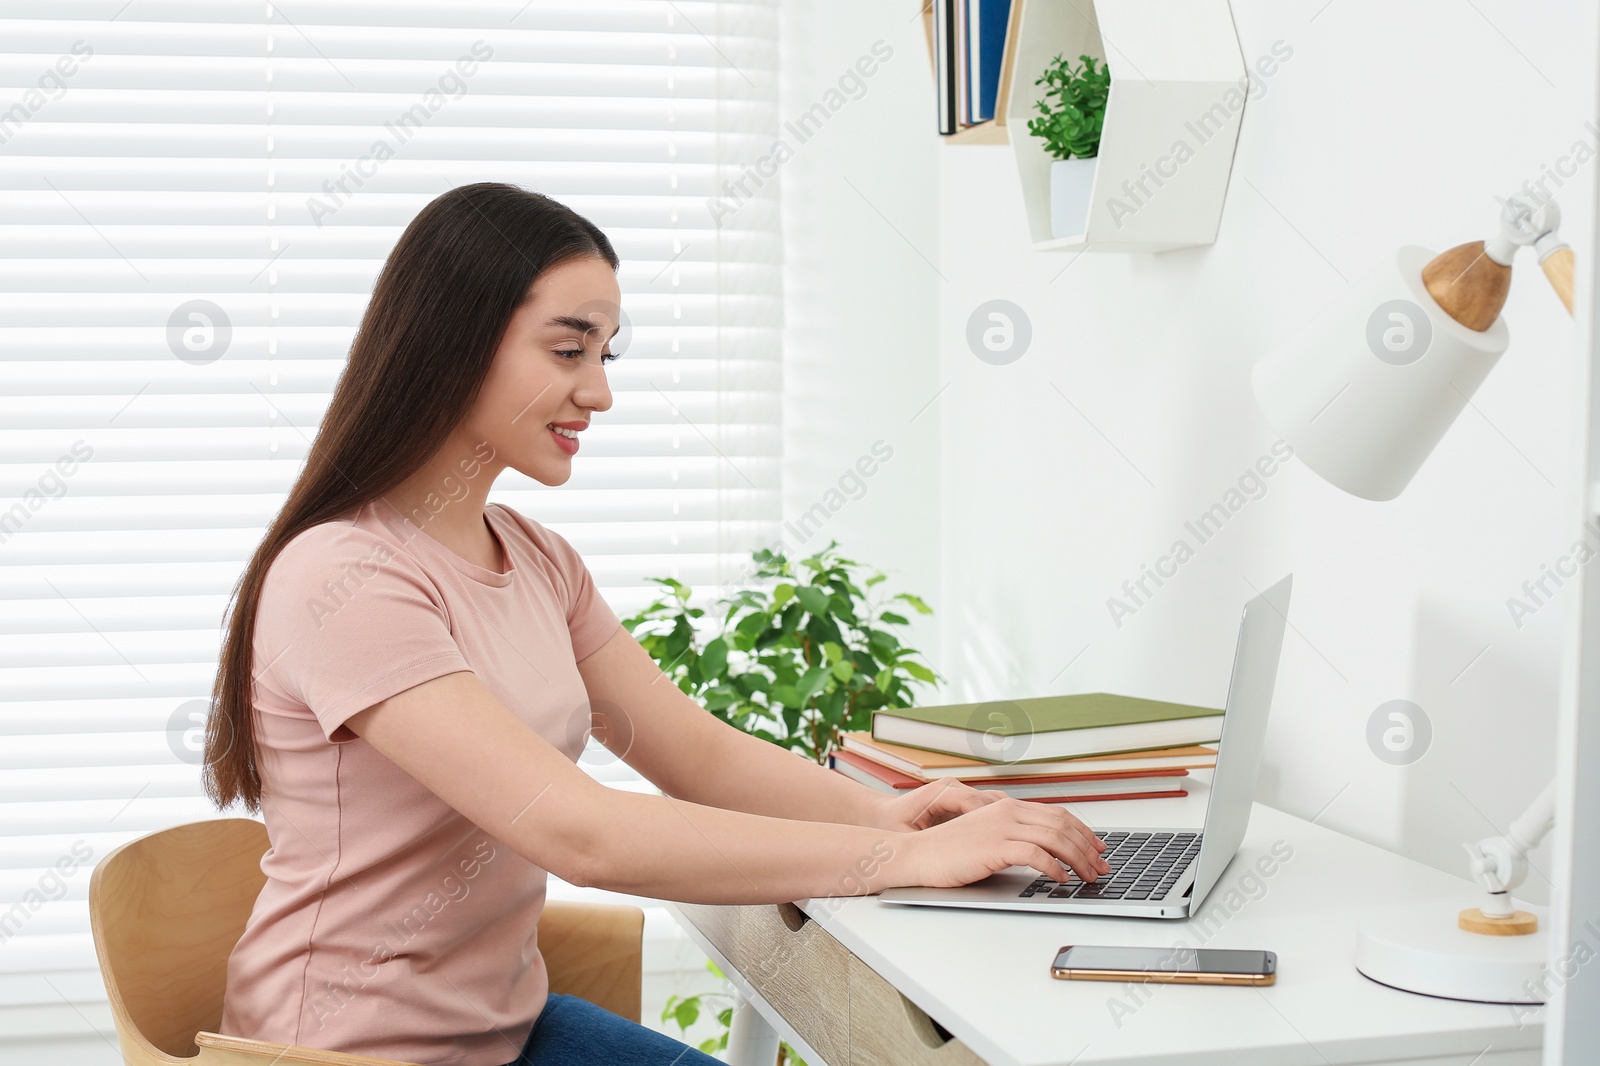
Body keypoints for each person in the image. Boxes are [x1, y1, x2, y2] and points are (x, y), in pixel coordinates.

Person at [204, 182, 1109, 1066]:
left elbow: (695, 754)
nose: (597, 394)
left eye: (606, 354)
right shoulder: (347, 577)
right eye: (568, 351)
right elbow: (580, 834)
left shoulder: (537, 558)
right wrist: (891, 859)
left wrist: (895, 816)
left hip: (504, 1033)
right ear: (454, 344)